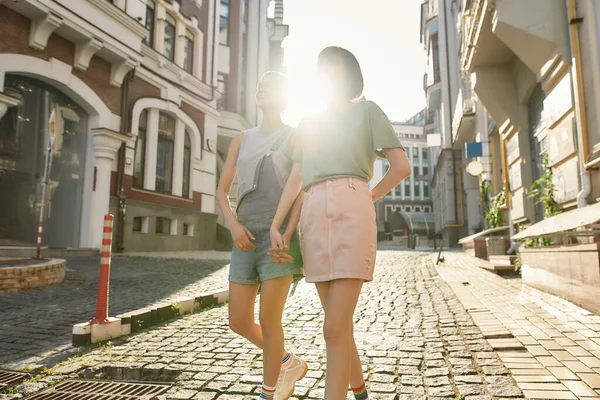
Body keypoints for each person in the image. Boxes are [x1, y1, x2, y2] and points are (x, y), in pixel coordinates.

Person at [269, 47, 411, 399]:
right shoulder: (309, 121)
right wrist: (277, 225)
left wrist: (367, 196)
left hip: (353, 205)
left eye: (335, 68)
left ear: (350, 74)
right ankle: (360, 393)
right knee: (339, 324)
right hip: (313, 211)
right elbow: (296, 177)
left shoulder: (367, 111)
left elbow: (401, 167)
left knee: (332, 327)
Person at [216, 71, 307, 400]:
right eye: (259, 86)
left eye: (270, 86)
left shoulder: (296, 136)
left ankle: (269, 394)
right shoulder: (240, 138)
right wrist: (233, 225)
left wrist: (288, 231)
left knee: (269, 319)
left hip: (277, 233)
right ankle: (288, 361)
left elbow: (300, 192)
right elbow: (222, 190)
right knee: (238, 321)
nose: (262, 90)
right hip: (244, 234)